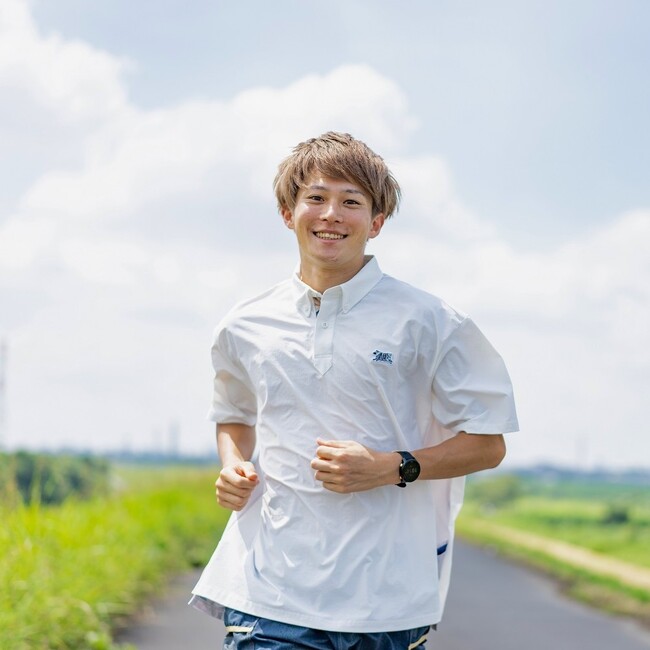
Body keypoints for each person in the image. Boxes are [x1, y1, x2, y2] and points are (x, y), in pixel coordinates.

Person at [190, 131, 519, 649]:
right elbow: (234, 414)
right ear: (287, 211)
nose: (331, 215)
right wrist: (232, 463)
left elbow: (488, 443)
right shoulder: (244, 323)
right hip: (270, 592)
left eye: (352, 202)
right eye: (316, 198)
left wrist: (392, 466)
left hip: (386, 599)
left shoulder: (432, 322)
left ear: (377, 221)